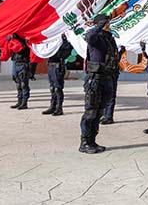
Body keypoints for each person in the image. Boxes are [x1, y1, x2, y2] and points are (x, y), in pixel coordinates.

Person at [79, 14, 120, 154]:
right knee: (91, 112)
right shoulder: (95, 38)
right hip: (95, 79)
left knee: (99, 112)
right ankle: (85, 142)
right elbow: (89, 36)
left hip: (106, 77)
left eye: (108, 23)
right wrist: (99, 26)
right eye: (105, 23)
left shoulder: (109, 39)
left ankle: (92, 140)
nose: (108, 25)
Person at [43, 34, 74, 116]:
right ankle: (52, 106)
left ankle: (59, 108)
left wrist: (62, 40)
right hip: (51, 64)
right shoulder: (52, 40)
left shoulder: (64, 41)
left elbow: (66, 52)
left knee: (58, 88)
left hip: (58, 65)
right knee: (52, 87)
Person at [7, 34, 31, 110]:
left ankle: (24, 102)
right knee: (18, 83)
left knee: (24, 84)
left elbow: (23, 49)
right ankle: (19, 101)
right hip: (16, 62)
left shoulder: (25, 41)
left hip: (23, 63)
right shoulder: (14, 41)